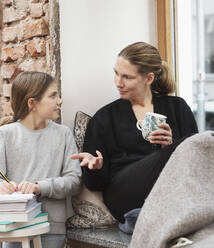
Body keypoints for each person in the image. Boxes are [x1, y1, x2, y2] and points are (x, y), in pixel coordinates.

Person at [71, 41, 199, 223]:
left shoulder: (177, 107)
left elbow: (196, 162)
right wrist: (96, 168)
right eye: (116, 73)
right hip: (124, 195)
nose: (118, 82)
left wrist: (170, 145)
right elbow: (94, 184)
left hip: (169, 189)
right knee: (177, 152)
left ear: (149, 79)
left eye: (127, 77)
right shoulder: (105, 117)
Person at [0, 72, 81, 248]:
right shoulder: (5, 134)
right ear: (32, 103)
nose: (59, 101)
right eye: (52, 96)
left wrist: (40, 187)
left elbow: (74, 181)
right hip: (14, 228)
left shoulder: (64, 134)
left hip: (51, 228)